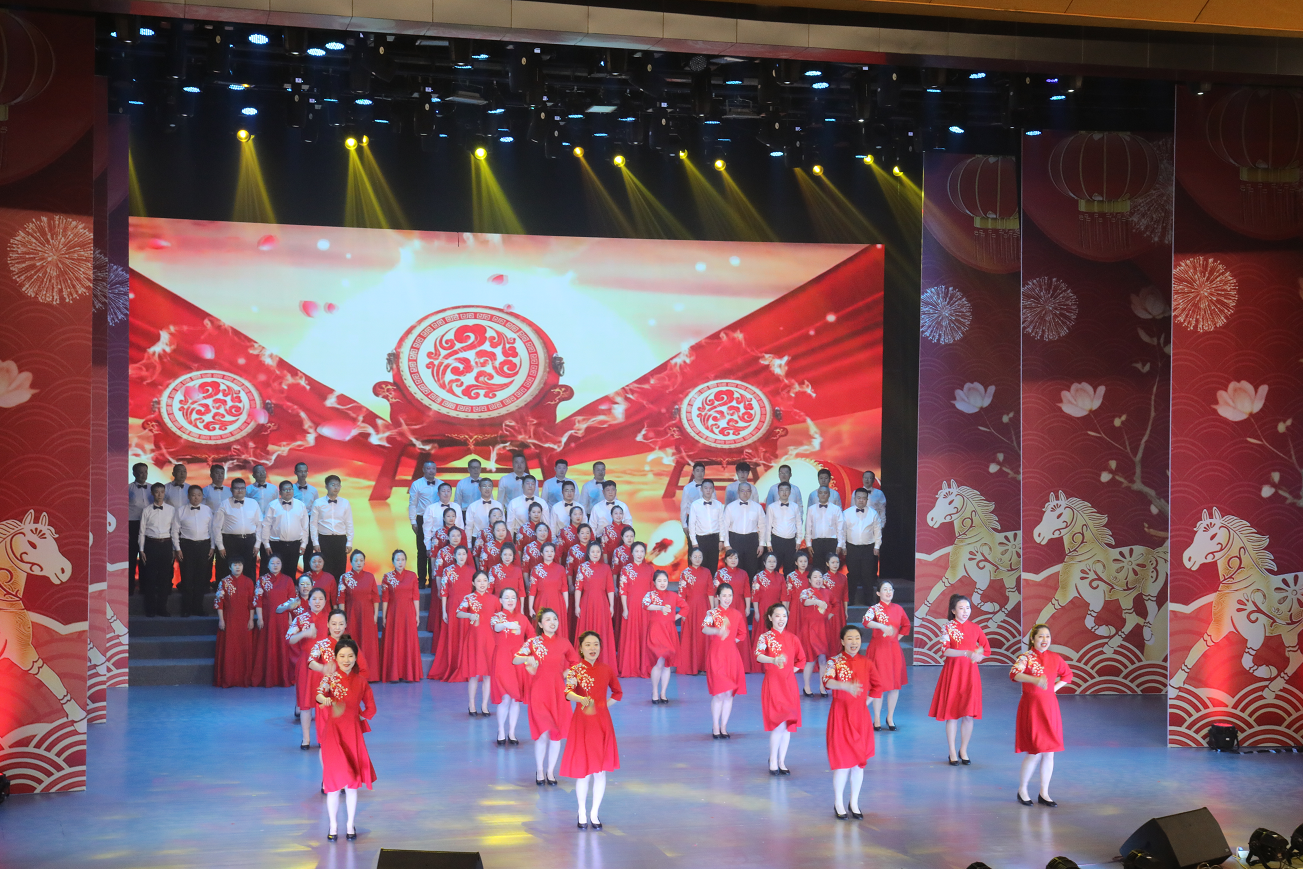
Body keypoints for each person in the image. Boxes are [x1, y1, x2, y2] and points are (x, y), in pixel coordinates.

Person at [315, 636, 377, 842]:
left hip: (353, 735)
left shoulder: (361, 682)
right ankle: (333, 825)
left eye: (350, 656)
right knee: (333, 785)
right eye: (342, 656)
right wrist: (325, 700)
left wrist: (359, 717)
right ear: (335, 657)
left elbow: (371, 708)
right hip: (333, 735)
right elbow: (318, 695)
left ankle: (350, 825)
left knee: (351, 785)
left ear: (356, 658)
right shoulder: (330, 679)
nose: (346, 660)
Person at [561, 631, 622, 830]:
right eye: (588, 644)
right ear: (580, 648)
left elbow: (618, 692)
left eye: (596, 644)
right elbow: (568, 693)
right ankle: (582, 811)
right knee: (583, 772)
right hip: (582, 723)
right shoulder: (575, 670)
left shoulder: (607, 669)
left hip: (602, 723)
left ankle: (594, 813)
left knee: (600, 772)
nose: (592, 648)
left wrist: (603, 706)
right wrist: (582, 700)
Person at [823, 625, 884, 820]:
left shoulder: (867, 663)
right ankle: (838, 803)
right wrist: (844, 686)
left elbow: (878, 687)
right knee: (842, 763)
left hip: (860, 717)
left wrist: (864, 702)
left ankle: (854, 802)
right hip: (840, 716)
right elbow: (827, 681)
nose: (854, 642)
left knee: (859, 763)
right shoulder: (834, 661)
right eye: (849, 638)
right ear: (842, 641)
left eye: (857, 638)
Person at [513, 609, 580, 786]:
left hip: (558, 693)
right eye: (548, 619)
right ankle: (540, 770)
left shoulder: (564, 643)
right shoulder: (533, 642)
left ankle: (550, 771)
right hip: (539, 693)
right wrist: (527, 660)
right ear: (541, 624)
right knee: (543, 733)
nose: (552, 622)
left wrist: (565, 674)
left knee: (556, 735)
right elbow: (516, 659)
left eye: (555, 619)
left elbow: (576, 662)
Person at [1012, 624, 1073, 807]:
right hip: (1032, 707)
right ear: (1033, 639)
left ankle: (1044, 793)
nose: (1045, 640)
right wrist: (1035, 680)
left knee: (1049, 753)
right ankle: (1022, 790)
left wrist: (1053, 688)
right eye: (1041, 636)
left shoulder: (1055, 657)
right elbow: (1014, 674)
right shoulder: (1026, 657)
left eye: (1047, 636)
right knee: (1035, 752)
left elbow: (1067, 675)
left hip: (1050, 707)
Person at [929, 594, 990, 765]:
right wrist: (966, 652)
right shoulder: (947, 627)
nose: (965, 611)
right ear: (953, 611)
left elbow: (986, 649)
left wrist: (978, 655)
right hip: (953, 673)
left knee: (968, 715)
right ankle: (951, 751)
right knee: (952, 715)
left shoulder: (975, 628)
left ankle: (963, 749)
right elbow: (945, 650)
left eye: (968, 608)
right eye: (961, 608)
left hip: (970, 674)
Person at [756, 603, 806, 775]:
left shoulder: (793, 638)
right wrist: (773, 660)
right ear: (770, 618)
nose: (781, 619)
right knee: (778, 725)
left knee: (787, 725)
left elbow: (802, 659)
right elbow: (758, 655)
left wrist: (790, 670)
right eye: (777, 616)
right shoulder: (765, 637)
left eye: (784, 616)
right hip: (773, 684)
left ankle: (781, 761)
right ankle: (773, 760)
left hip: (789, 685)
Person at [306, 609, 362, 753]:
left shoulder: (351, 645)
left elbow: (361, 667)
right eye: (334, 624)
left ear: (346, 625)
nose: (337, 627)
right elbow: (310, 662)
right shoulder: (321, 644)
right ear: (328, 624)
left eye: (341, 624)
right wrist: (323, 668)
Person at [862, 580, 910, 730]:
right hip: (878, 650)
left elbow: (906, 625)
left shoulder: (898, 609)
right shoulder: (874, 609)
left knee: (894, 686)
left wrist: (895, 639)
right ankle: (876, 718)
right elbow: (865, 621)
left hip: (894, 650)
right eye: (885, 589)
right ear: (878, 593)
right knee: (879, 685)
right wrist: (881, 626)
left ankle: (890, 717)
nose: (888, 592)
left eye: (890, 589)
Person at [702, 582, 747, 738]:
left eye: (730, 595)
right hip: (716, 656)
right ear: (718, 597)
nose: (727, 598)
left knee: (728, 694)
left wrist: (731, 641)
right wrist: (718, 631)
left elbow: (742, 633)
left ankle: (724, 727)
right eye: (724, 595)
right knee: (719, 693)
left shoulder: (736, 614)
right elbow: (704, 628)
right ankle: (715, 726)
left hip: (732, 657)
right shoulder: (712, 613)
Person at [490, 587, 534, 745]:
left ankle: (512, 732)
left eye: (513, 597)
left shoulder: (522, 618)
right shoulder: (496, 617)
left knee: (515, 699)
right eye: (507, 597)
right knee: (505, 698)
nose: (510, 600)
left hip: (518, 661)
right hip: (502, 660)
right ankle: (501, 731)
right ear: (501, 600)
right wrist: (507, 624)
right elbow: (496, 627)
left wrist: (526, 652)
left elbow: (532, 636)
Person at [287, 586, 331, 744]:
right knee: (306, 704)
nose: (317, 602)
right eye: (314, 599)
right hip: (307, 664)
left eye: (321, 599)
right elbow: (289, 639)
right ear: (309, 601)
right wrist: (304, 633)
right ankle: (306, 739)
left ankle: (322, 738)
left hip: (325, 664)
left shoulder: (331, 618)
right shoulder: (301, 618)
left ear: (325, 601)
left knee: (324, 702)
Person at [455, 571, 501, 715]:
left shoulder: (494, 599)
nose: (482, 583)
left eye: (485, 580)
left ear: (488, 583)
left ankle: (485, 705)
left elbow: (500, 617)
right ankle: (471, 705)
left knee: (488, 675)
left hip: (490, 640)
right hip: (474, 640)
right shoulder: (469, 598)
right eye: (479, 581)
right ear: (473, 583)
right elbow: (458, 612)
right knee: (473, 675)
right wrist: (469, 615)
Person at [430, 545, 474, 681]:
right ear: (454, 556)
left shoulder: (473, 571)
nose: (461, 556)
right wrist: (444, 610)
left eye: (464, 554)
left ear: (467, 556)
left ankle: (467, 667)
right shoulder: (447, 571)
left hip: (468, 607)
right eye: (459, 554)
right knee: (453, 635)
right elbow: (444, 592)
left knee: (467, 636)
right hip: (453, 606)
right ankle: (453, 665)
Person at [252, 555, 296, 688]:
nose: (275, 565)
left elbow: (292, 601)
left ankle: (283, 678)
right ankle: (268, 678)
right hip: (267, 618)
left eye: (278, 563)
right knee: (267, 646)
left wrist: (290, 618)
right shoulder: (262, 580)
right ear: (267, 565)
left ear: (281, 564)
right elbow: (258, 600)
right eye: (272, 563)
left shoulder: (288, 580)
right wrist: (260, 618)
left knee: (282, 646)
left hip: (282, 619)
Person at [379, 550, 423, 683]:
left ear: (405, 561)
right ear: (393, 561)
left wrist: (417, 614)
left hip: (408, 612)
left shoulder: (412, 576)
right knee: (395, 641)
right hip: (393, 612)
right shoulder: (387, 577)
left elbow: (416, 596)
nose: (400, 562)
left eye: (402, 559)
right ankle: (394, 674)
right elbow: (385, 599)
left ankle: (409, 673)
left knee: (408, 640)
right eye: (397, 560)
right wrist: (384, 616)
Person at [213, 558, 256, 688]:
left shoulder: (249, 582)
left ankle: (243, 679)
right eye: (235, 565)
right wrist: (221, 620)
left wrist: (251, 619)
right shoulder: (224, 582)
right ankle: (228, 678)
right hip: (229, 619)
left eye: (240, 565)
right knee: (230, 649)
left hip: (244, 619)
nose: (238, 567)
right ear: (230, 567)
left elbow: (251, 603)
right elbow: (219, 602)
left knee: (243, 649)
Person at [338, 550, 381, 680]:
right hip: (351, 615)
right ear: (351, 562)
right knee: (353, 642)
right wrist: (342, 618)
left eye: (361, 560)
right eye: (356, 560)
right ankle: (352, 674)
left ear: (364, 562)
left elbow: (376, 597)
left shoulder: (370, 577)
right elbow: (341, 599)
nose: (358, 563)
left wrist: (375, 615)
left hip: (368, 614)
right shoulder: (345, 577)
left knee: (368, 643)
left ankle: (370, 675)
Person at [137, 483, 178, 617]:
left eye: (162, 492)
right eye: (157, 492)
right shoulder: (147, 510)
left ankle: (162, 608)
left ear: (164, 493)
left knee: (164, 579)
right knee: (150, 578)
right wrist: (141, 550)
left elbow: (174, 530)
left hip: (166, 544)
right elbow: (142, 531)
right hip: (151, 544)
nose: (159, 495)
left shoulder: (171, 510)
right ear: (152, 493)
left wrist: (174, 548)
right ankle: (150, 609)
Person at [574, 542, 616, 668]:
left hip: (602, 603)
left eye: (598, 551)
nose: (595, 554)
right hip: (587, 602)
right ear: (588, 553)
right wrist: (577, 605)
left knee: (602, 630)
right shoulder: (583, 567)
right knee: (586, 630)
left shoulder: (606, 568)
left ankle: (602, 662)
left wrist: (611, 605)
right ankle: (585, 662)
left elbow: (610, 588)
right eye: (593, 551)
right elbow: (578, 588)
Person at [174, 484, 214, 617]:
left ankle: (198, 607)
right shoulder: (181, 510)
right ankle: (186, 608)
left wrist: (212, 546)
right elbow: (175, 531)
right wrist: (177, 548)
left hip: (204, 546)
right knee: (187, 578)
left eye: (199, 495)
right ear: (188, 496)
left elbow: (212, 530)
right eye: (193, 495)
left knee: (201, 579)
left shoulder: (207, 510)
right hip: (187, 546)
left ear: (202, 496)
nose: (196, 498)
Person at [616, 542, 655, 679]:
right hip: (631, 606)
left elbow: (653, 591)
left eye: (642, 551)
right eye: (636, 551)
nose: (639, 554)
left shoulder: (650, 569)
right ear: (632, 553)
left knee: (645, 635)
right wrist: (625, 609)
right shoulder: (626, 569)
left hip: (646, 607)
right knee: (631, 636)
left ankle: (645, 667)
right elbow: (623, 591)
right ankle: (630, 667)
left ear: (645, 553)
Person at [643, 570, 682, 704]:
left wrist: (674, 617)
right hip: (656, 631)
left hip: (669, 631)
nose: (662, 583)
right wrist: (660, 608)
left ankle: (663, 693)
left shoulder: (673, 595)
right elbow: (645, 605)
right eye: (659, 581)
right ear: (654, 582)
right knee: (659, 662)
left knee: (667, 665)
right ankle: (655, 691)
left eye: (664, 580)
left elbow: (685, 607)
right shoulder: (650, 595)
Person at [279, 575, 316, 717]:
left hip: (313, 643)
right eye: (302, 584)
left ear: (312, 585)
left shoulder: (317, 600)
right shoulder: (294, 601)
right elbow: (278, 610)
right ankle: (299, 704)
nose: (305, 587)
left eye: (307, 584)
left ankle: (312, 705)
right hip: (297, 643)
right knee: (300, 677)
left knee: (313, 677)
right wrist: (288, 607)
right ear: (298, 587)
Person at [214, 478, 261, 585]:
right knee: (227, 569)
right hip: (230, 542)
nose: (240, 490)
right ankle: (226, 593)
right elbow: (216, 527)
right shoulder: (224, 504)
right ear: (231, 490)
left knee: (249, 569)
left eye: (242, 488)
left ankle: (249, 593)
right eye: (237, 488)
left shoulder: (253, 503)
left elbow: (259, 525)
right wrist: (220, 546)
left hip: (249, 541)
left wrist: (257, 544)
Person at [675, 547, 714, 676]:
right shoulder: (685, 573)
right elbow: (681, 594)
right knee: (691, 635)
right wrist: (683, 611)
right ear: (690, 558)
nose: (697, 559)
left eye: (700, 557)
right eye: (695, 557)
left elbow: (710, 592)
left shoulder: (707, 572)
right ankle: (691, 666)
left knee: (704, 636)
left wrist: (712, 610)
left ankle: (704, 666)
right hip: (690, 607)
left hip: (704, 607)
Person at [713, 549, 752, 673]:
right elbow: (716, 593)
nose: (733, 560)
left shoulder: (743, 573)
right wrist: (716, 609)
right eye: (730, 558)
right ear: (725, 560)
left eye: (735, 558)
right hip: (724, 606)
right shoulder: (720, 573)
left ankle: (742, 665)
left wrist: (747, 607)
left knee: (740, 631)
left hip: (739, 605)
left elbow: (747, 592)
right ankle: (724, 664)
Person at [842, 487, 883, 607]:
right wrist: (843, 546)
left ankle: (868, 600)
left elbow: (877, 531)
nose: (861, 500)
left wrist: (877, 546)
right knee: (852, 575)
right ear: (855, 498)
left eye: (863, 498)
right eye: (859, 498)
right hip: (851, 547)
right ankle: (850, 599)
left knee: (868, 575)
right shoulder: (846, 513)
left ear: (867, 499)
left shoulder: (873, 513)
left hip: (868, 548)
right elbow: (842, 531)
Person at [798, 568, 834, 696]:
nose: (818, 579)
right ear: (809, 580)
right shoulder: (805, 592)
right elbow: (804, 601)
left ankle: (822, 687)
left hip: (823, 629)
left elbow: (835, 604)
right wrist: (817, 601)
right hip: (810, 629)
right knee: (810, 660)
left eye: (820, 577)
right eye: (815, 577)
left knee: (823, 659)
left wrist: (829, 615)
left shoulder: (827, 592)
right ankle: (807, 687)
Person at [407, 460, 443, 589]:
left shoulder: (441, 484)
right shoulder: (417, 484)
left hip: (438, 519)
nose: (431, 471)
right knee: (422, 550)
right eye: (428, 468)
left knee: (436, 550)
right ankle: (421, 579)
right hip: (422, 519)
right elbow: (412, 504)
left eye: (433, 468)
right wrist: (413, 521)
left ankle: (434, 580)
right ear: (423, 470)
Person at [264, 481, 309, 581]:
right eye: (285, 489)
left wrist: (304, 544)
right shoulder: (272, 505)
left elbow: (305, 527)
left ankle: (291, 591)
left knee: (292, 572)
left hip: (295, 545)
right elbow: (266, 525)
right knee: (276, 573)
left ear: (293, 491)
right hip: (277, 544)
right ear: (280, 492)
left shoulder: (300, 505)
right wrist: (266, 544)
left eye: (290, 489)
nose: (288, 491)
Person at [312, 475, 354, 580]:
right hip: (324, 539)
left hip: (340, 539)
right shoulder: (318, 503)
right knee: (325, 569)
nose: (336, 487)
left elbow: (349, 523)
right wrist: (315, 542)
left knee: (340, 568)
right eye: (333, 485)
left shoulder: (345, 503)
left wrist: (349, 542)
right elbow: (313, 524)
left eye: (338, 485)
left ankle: (339, 590)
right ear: (326, 486)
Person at [749, 552, 786, 667]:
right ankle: (760, 664)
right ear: (764, 563)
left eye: (774, 561)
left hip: (777, 609)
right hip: (763, 608)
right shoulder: (758, 577)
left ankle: (776, 660)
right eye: (769, 561)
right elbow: (755, 596)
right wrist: (756, 611)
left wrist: (784, 612)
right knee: (763, 634)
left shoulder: (780, 577)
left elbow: (784, 596)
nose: (772, 563)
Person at [723, 482, 766, 578]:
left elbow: (763, 526)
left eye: (748, 491)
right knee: (735, 568)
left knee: (752, 568)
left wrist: (761, 544)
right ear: (738, 492)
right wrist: (726, 544)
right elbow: (724, 527)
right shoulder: (730, 507)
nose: (745, 493)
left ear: (751, 492)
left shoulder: (757, 507)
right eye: (742, 491)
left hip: (752, 540)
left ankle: (750, 587)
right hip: (735, 539)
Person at [528, 543, 569, 638]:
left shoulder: (561, 569)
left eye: (552, 551)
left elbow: (565, 588)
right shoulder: (536, 569)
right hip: (542, 601)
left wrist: (566, 605)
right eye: (547, 551)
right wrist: (530, 607)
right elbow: (532, 590)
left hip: (558, 602)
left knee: (557, 627)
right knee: (542, 627)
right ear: (542, 554)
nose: (549, 553)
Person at [686, 479, 724, 572]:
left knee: (713, 566)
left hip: (714, 539)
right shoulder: (695, 505)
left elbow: (722, 523)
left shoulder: (719, 505)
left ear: (713, 490)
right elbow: (692, 524)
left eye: (710, 488)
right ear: (701, 489)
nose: (708, 490)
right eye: (706, 488)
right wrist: (694, 542)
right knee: (700, 566)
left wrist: (721, 540)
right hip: (701, 539)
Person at [765, 482, 803, 575]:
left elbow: (798, 524)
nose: (784, 492)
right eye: (782, 490)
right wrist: (768, 543)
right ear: (778, 492)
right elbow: (768, 525)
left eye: (786, 490)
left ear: (790, 492)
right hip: (777, 540)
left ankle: (789, 584)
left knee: (790, 568)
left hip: (791, 541)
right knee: (774, 567)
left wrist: (798, 541)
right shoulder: (772, 507)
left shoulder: (795, 506)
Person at [127, 462, 153, 597]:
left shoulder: (153, 488)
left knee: (146, 558)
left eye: (145, 472)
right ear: (134, 473)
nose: (144, 475)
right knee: (131, 557)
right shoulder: (127, 488)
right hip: (132, 525)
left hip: (149, 526)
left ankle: (145, 588)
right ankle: (129, 588)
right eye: (141, 472)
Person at [805, 486, 843, 571]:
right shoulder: (811, 509)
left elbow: (840, 528)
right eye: (820, 493)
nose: (823, 495)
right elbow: (808, 527)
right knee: (817, 568)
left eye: (825, 493)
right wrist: (808, 544)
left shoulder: (836, 509)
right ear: (817, 494)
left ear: (829, 495)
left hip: (832, 542)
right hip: (817, 543)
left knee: (832, 569)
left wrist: (840, 544)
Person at [823, 552, 849, 653]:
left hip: (840, 609)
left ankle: (840, 653)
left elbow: (845, 595)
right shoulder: (823, 578)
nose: (835, 564)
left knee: (840, 631)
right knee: (830, 631)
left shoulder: (843, 577)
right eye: (832, 562)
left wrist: (845, 611)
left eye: (837, 562)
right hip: (829, 608)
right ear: (827, 564)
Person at [678, 461, 707, 533]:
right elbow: (683, 507)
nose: (700, 473)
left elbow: (714, 503)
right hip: (692, 519)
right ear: (693, 472)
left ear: (704, 472)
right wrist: (684, 525)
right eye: (697, 471)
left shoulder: (709, 486)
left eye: (702, 471)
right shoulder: (687, 488)